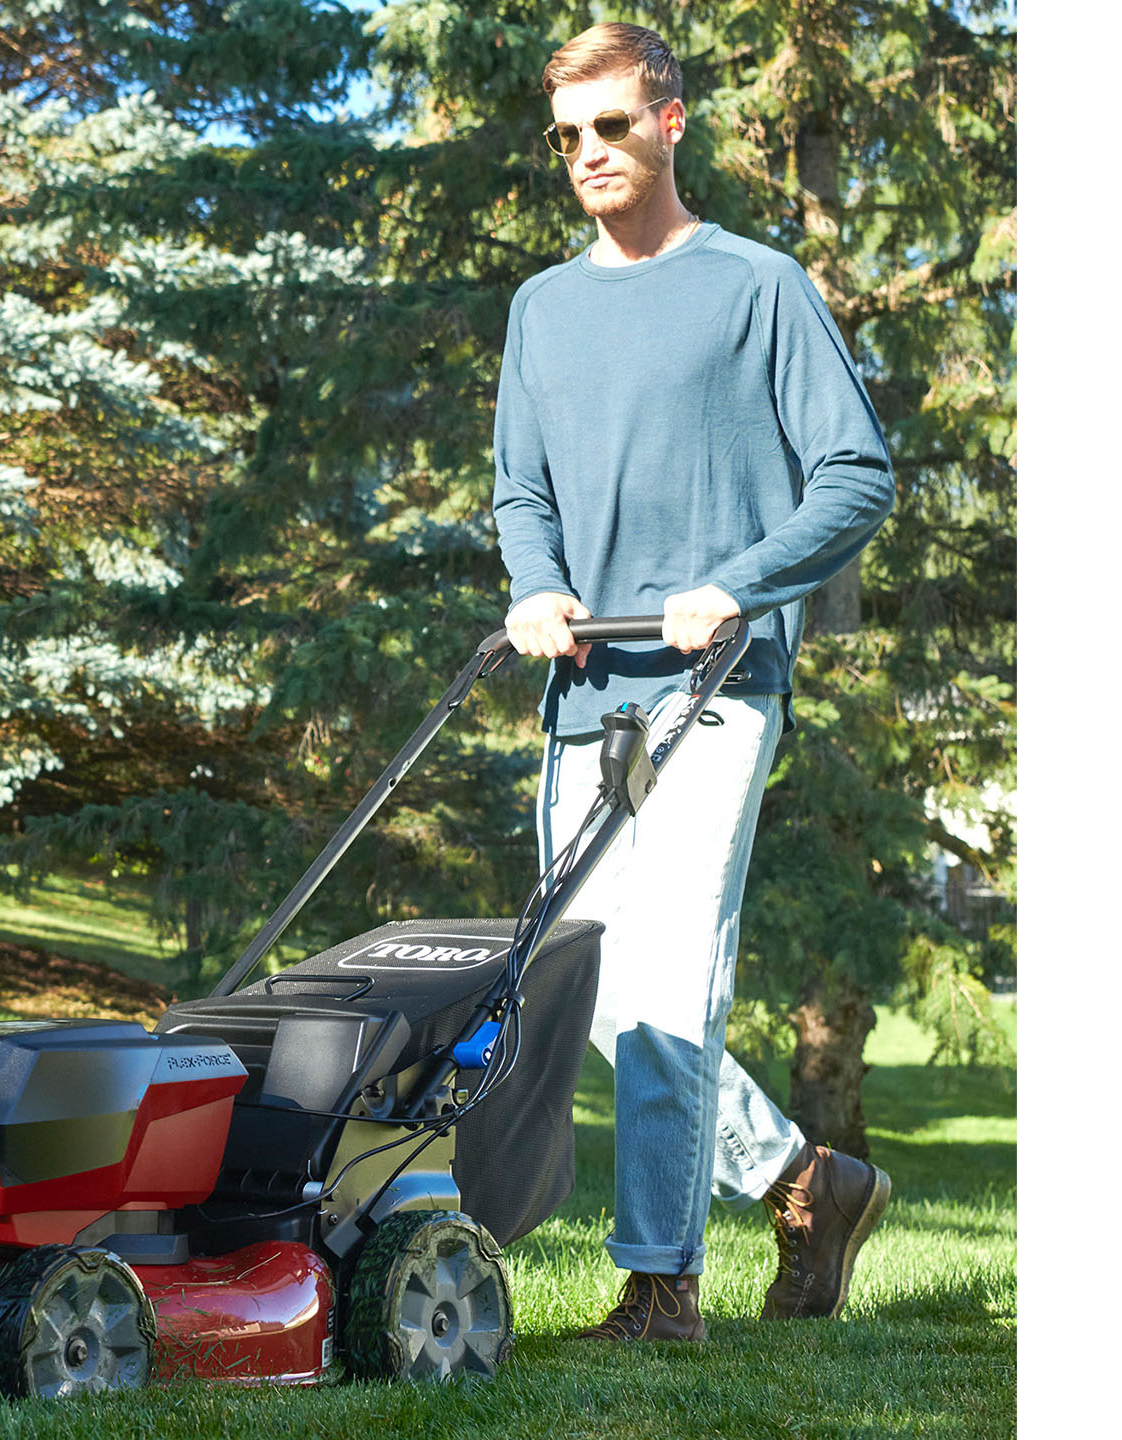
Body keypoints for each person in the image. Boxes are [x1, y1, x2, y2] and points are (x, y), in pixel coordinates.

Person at [491, 22, 897, 1342]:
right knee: (574, 973)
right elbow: (522, 492)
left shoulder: (756, 287)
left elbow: (856, 472)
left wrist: (740, 580)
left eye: (613, 126)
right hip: (586, 687)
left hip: (714, 681)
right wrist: (533, 585)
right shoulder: (541, 309)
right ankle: (799, 1178)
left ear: (672, 120)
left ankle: (661, 1283)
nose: (590, 156)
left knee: (671, 971)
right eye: (568, 137)